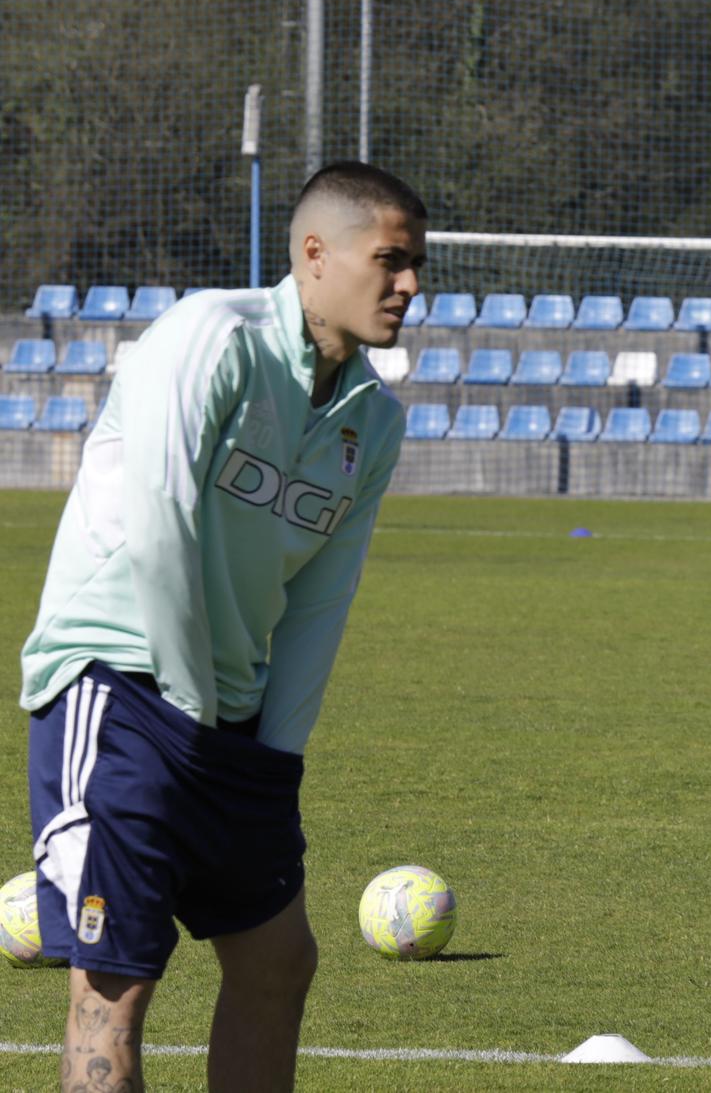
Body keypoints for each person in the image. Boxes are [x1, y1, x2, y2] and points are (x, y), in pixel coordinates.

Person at [17, 162, 424, 1092]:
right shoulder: (208, 337)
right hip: (117, 689)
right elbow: (160, 524)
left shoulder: (374, 417)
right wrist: (196, 715)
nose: (411, 287)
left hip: (227, 721)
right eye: (391, 261)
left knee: (279, 961)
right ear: (315, 254)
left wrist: (276, 756)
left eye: (416, 266)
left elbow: (323, 597)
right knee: (114, 986)